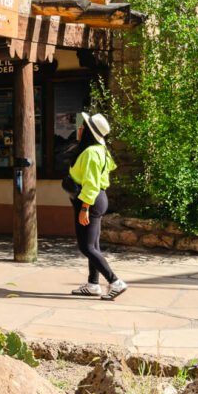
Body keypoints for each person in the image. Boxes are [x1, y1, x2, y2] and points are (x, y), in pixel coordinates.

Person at [66, 112, 127, 300]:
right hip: (96, 199)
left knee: (87, 247)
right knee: (94, 245)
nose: (79, 128)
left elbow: (91, 183)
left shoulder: (91, 152)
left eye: (83, 126)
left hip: (90, 201)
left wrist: (84, 207)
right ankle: (93, 284)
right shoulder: (100, 150)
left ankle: (115, 282)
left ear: (89, 132)